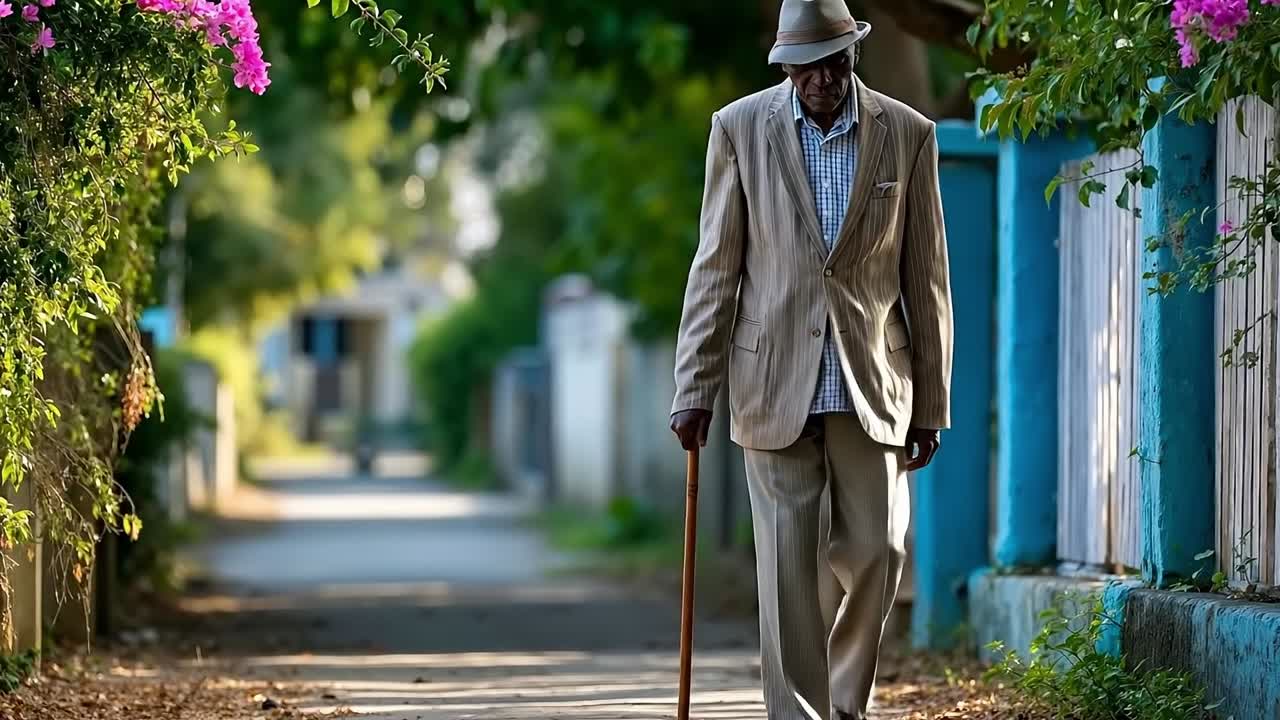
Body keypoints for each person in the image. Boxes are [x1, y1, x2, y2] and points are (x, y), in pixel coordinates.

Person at [668, 1, 953, 718]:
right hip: (771, 383)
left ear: (855, 53)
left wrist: (933, 402)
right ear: (785, 66)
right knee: (788, 575)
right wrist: (693, 387)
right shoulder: (737, 130)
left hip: (874, 385)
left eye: (834, 63)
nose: (822, 80)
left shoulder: (907, 133)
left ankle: (847, 706)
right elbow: (715, 269)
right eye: (807, 67)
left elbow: (927, 279)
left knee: (881, 553)